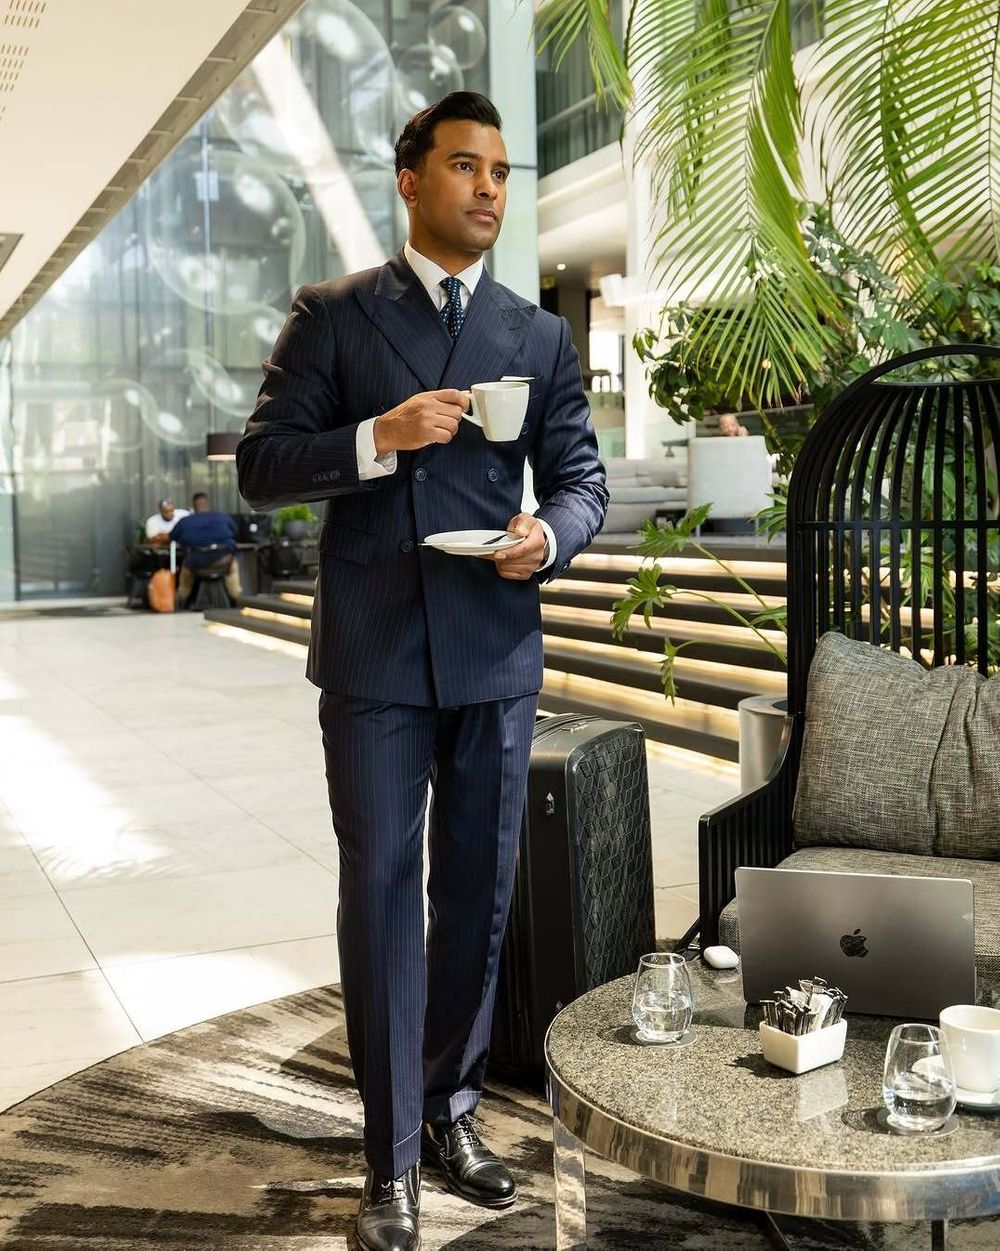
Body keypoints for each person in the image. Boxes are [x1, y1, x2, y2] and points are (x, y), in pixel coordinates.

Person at [237, 92, 607, 1251]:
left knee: (477, 901)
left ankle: (451, 1108)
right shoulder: (336, 314)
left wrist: (548, 536)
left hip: (493, 646)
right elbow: (260, 466)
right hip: (377, 652)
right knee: (385, 896)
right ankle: (389, 1153)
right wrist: (377, 438)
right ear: (410, 180)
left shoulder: (535, 334)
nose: (488, 188)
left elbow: (581, 480)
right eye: (463, 167)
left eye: (500, 171)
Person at [170, 492, 242, 606]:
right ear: (207, 504)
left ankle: (181, 600)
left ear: (194, 507)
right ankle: (236, 598)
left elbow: (172, 536)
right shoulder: (223, 517)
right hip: (224, 562)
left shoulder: (185, 521)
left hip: (197, 563)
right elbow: (237, 533)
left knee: (185, 570)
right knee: (233, 565)